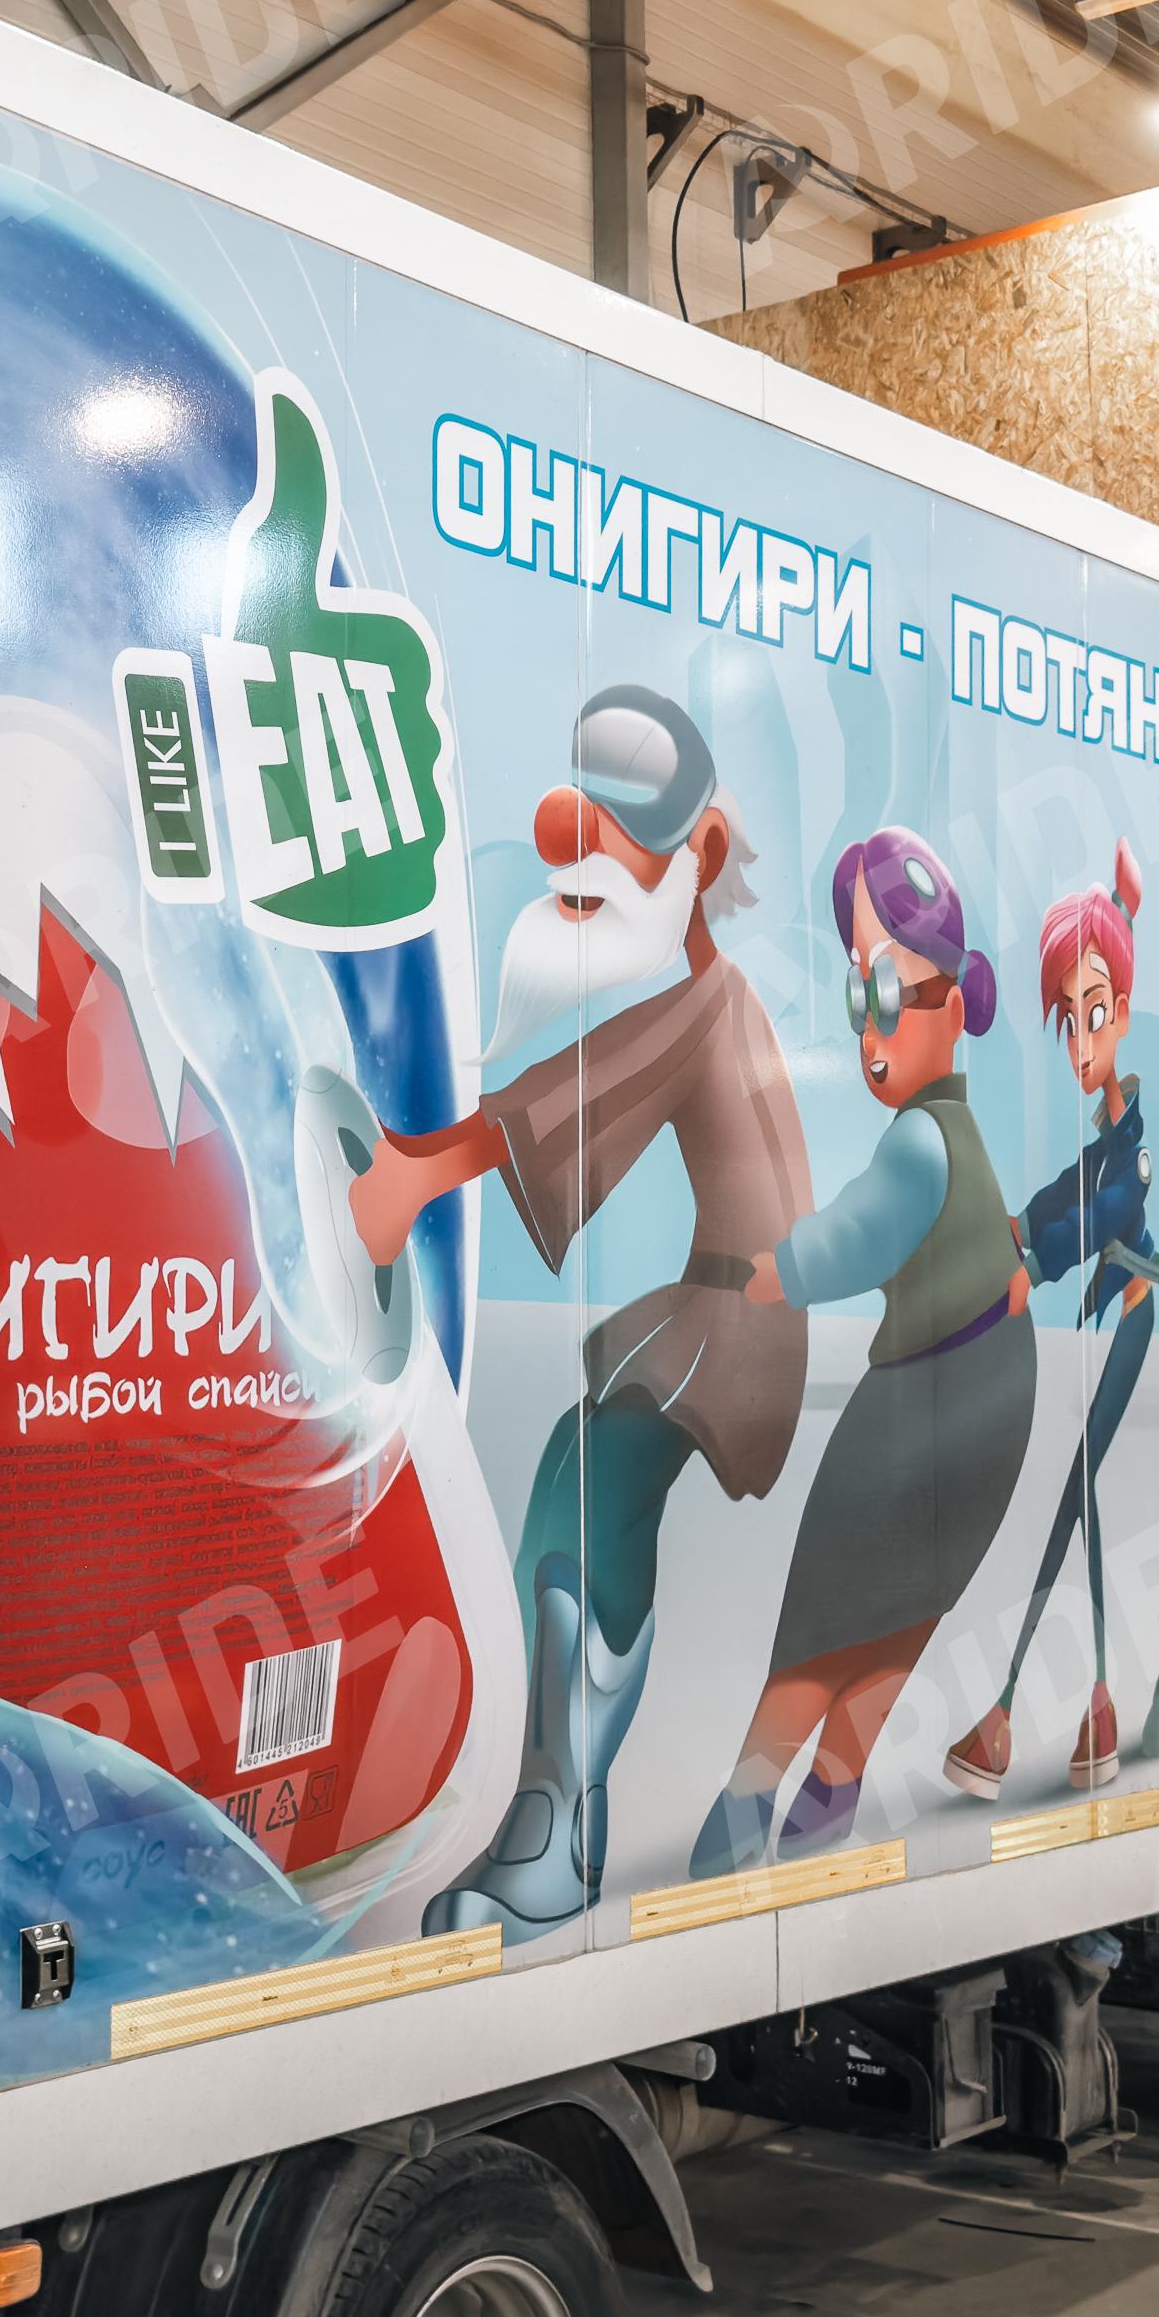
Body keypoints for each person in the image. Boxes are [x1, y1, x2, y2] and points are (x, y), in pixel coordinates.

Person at [339, 685, 809, 1939]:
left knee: (588, 1490)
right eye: (575, 823)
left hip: (740, 1322)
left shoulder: (711, 1004)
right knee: (569, 1461)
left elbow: (593, 1089)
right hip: (716, 1311)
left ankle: (557, 1832)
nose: (579, 856)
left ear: (701, 853)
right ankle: (547, 1809)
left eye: (622, 835)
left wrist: (415, 1171)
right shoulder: (712, 994)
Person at [705, 826, 1036, 1869]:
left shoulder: (922, 1142)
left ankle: (744, 1807)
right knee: (901, 1620)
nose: (869, 1026)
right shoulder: (957, 1137)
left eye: (889, 991)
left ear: (954, 1004)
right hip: (991, 1401)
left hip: (926, 1407)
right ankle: (831, 1795)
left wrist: (770, 1273)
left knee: (825, 1615)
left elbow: (859, 1233)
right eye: (861, 996)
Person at [945, 844, 1153, 1803]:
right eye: (1068, 1019)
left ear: (1124, 1012)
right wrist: (1017, 1227)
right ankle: (1076, 1712)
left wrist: (1034, 1260)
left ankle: (1028, 1712)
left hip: (1132, 1323)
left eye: (1094, 1015)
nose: (1079, 1041)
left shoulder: (1134, 1147)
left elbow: (1105, 1212)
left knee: (1077, 1499)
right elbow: (1069, 1190)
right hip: (1101, 1325)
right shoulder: (1105, 1133)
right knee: (1081, 1500)